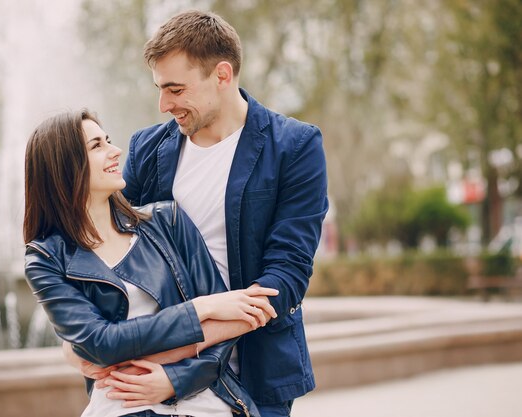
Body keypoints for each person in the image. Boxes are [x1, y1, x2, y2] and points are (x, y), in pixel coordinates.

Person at [118, 10, 329, 417]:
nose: (164, 104)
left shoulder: (295, 147)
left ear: (222, 74)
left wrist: (184, 362)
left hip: (255, 373)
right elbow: (113, 253)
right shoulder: (145, 149)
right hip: (155, 367)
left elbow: (286, 274)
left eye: (176, 89)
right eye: (160, 89)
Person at [23, 109, 280, 417]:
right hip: (122, 405)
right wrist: (203, 308)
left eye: (108, 141)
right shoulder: (45, 259)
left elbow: (227, 331)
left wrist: (175, 379)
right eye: (96, 146)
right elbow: (102, 343)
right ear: (63, 167)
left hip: (203, 402)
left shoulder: (168, 221)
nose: (115, 151)